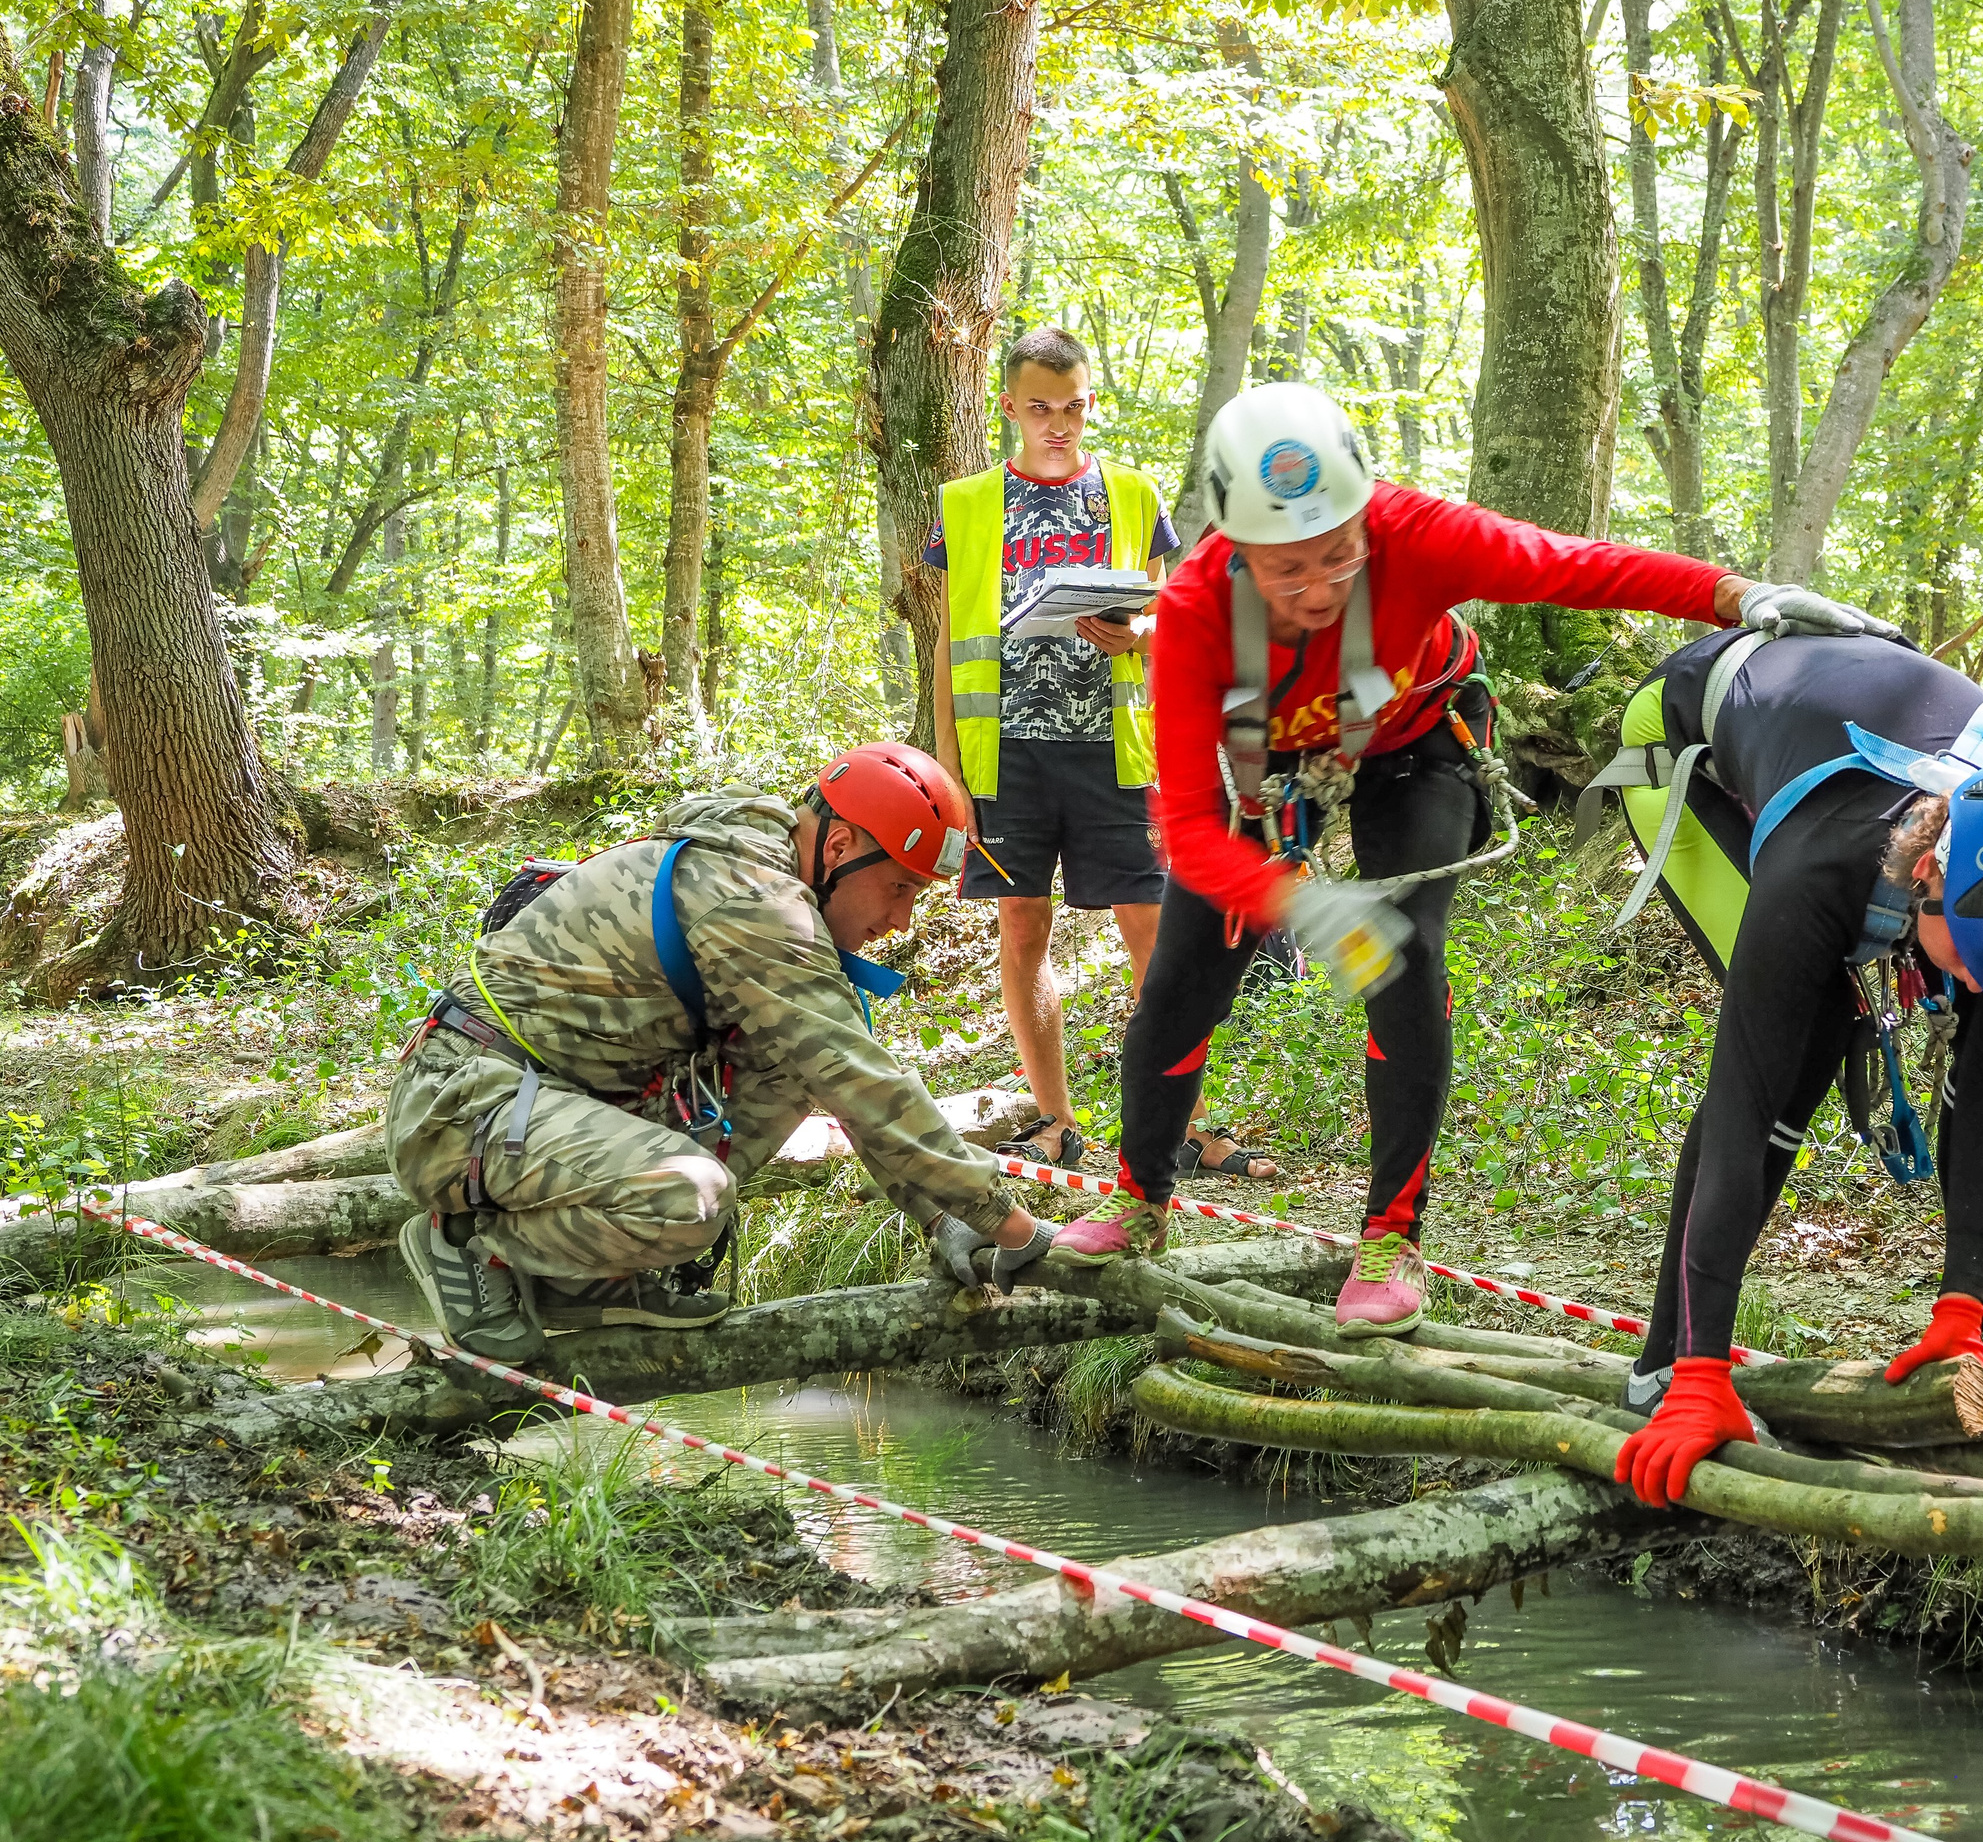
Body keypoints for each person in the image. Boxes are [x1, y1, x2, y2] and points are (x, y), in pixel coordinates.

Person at [1042, 381, 1902, 1333]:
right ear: (1236, 549)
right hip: (1267, 766)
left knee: (1401, 957)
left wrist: (1738, 595)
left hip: (1418, 743)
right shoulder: (1202, 611)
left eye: (1338, 554)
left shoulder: (1414, 534)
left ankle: (1392, 1234)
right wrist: (1299, 904)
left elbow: (1574, 567)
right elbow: (1193, 832)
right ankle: (1139, 1198)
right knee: (1182, 982)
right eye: (1288, 570)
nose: (1321, 588)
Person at [1596, 627, 1983, 1511]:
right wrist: (1705, 1374)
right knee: (1789, 1054)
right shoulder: (1823, 865)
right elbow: (1741, 1101)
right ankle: (1669, 1366)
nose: (1972, 987)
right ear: (1929, 869)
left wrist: (1956, 1313)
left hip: (1866, 762)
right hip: (1682, 744)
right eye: (1966, 961)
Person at [387, 745, 1057, 1363]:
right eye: (899, 888)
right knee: (690, 1200)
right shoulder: (751, 898)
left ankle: (578, 1276)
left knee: (789, 1067)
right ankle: (474, 1249)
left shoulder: (765, 871)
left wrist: (945, 1218)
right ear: (841, 847)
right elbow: (858, 1075)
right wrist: (1009, 1223)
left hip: (548, 1101)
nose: (902, 921)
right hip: (462, 1107)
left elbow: (838, 1075)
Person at [928, 325, 1277, 1182]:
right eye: (1040, 408)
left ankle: (1187, 1123)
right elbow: (946, 636)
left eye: (1074, 406)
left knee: (1152, 935)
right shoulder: (967, 502)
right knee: (1022, 928)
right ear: (1008, 405)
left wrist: (1140, 636)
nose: (1059, 423)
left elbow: (1182, 612)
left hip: (1114, 750)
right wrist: (945, 764)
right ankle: (1053, 1121)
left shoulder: (1131, 492)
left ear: (1091, 402)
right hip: (1003, 752)